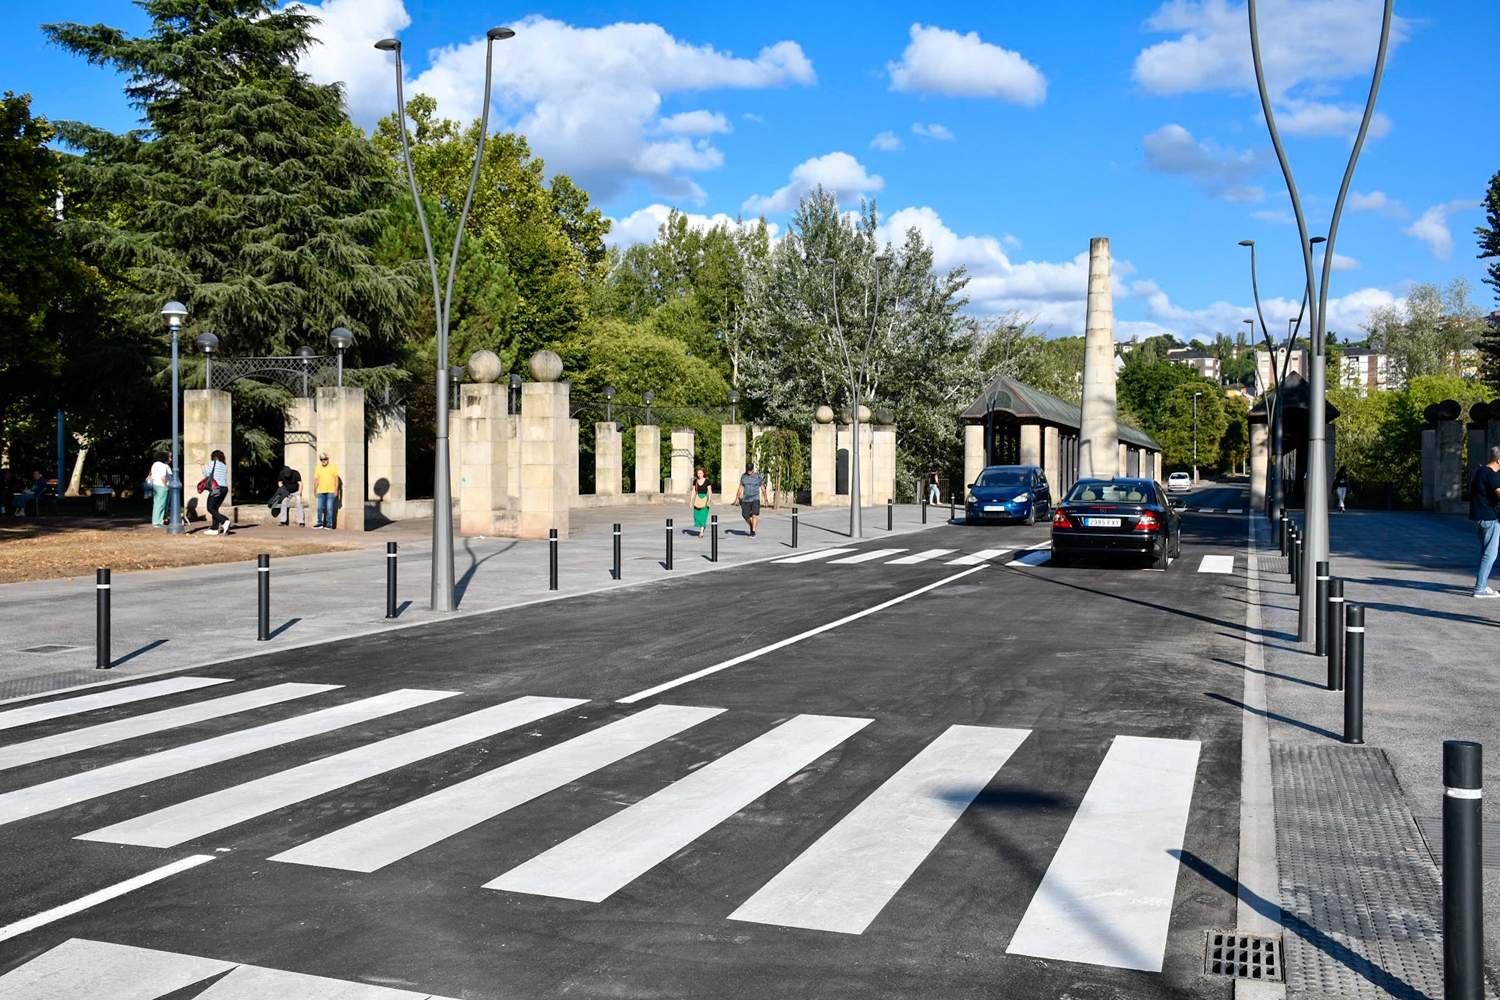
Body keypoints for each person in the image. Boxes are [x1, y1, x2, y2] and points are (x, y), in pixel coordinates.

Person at [1468, 446, 1500, 598]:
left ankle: (1483, 585)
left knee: (1485, 553)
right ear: (1499, 460)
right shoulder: (1492, 475)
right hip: (1490, 518)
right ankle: (1480, 588)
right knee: (1490, 554)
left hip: (1479, 517)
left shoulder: (1480, 471)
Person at [199, 449, 230, 535]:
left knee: (210, 508)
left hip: (216, 488)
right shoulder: (224, 465)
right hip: (224, 489)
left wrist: (202, 465)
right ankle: (214, 529)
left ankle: (225, 521)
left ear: (213, 457)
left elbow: (206, 474)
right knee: (215, 508)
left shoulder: (213, 463)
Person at [734, 461, 767, 537]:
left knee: (754, 514)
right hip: (746, 499)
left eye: (750, 470)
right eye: (748, 470)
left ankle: (753, 531)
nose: (749, 471)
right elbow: (740, 488)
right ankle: (752, 526)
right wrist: (737, 498)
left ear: (753, 469)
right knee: (745, 515)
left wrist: (765, 499)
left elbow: (763, 488)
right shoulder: (743, 476)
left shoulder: (758, 476)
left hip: (755, 498)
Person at [312, 452, 340, 530]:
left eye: (325, 459)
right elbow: (316, 480)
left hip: (331, 491)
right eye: (321, 459)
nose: (323, 460)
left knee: (329, 508)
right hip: (321, 491)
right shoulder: (318, 467)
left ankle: (329, 525)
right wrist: (314, 490)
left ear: (328, 459)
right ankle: (319, 523)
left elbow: (336, 479)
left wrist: (336, 490)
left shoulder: (333, 467)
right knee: (319, 508)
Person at [147, 454, 171, 527]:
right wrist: (166, 485)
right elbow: (163, 477)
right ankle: (158, 522)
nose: (170, 458)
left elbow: (151, 475)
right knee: (161, 505)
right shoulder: (163, 466)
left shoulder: (155, 464)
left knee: (157, 504)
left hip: (156, 485)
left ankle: (156, 521)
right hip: (162, 486)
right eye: (169, 457)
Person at [689, 466, 712, 538]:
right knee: (696, 515)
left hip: (705, 499)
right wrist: (691, 501)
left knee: (703, 516)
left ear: (703, 473)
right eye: (698, 473)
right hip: (697, 499)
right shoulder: (695, 481)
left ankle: (701, 532)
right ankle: (702, 527)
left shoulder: (707, 481)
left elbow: (710, 491)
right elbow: (693, 491)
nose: (699, 474)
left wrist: (709, 500)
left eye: (700, 473)